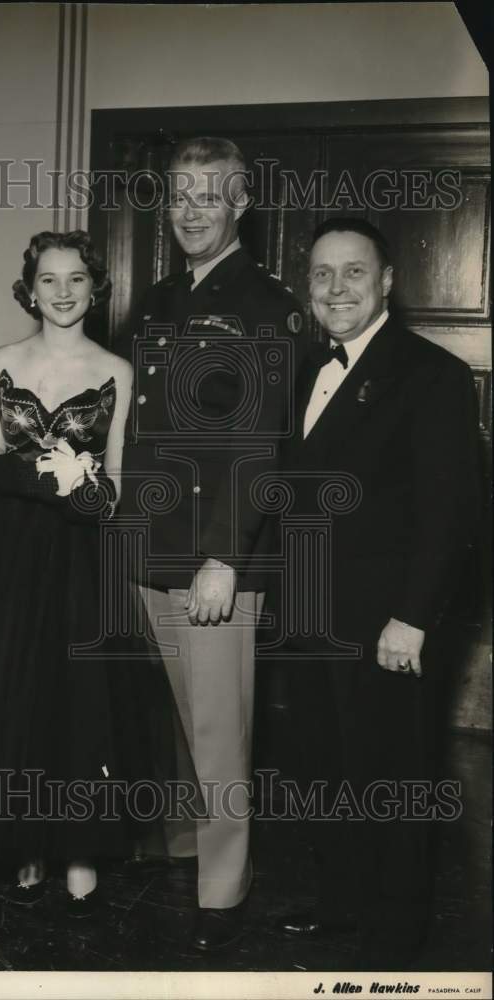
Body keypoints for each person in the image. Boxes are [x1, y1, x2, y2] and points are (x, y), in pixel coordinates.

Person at [0, 230, 173, 915]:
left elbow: (117, 483)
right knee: (11, 693)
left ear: (95, 289)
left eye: (76, 279)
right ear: (30, 290)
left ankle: (80, 848)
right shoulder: (3, 359)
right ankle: (23, 842)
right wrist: (30, 477)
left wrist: (83, 488)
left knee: (78, 701)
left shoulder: (117, 371)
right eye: (48, 280)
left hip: (80, 557)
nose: (62, 292)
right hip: (4, 553)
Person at [273, 217, 480, 969]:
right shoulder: (303, 368)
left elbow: (450, 513)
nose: (336, 289)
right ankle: (340, 902)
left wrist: (412, 619)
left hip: (386, 624)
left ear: (387, 281)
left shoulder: (432, 375)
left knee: (392, 775)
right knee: (322, 767)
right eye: (322, 274)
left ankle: (396, 934)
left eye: (353, 272)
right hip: (309, 617)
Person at [118, 136, 306, 952]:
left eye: (208, 196)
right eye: (179, 196)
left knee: (220, 725)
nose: (190, 211)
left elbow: (261, 442)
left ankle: (223, 886)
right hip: (153, 542)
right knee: (180, 714)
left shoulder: (266, 305)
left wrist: (225, 557)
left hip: (216, 555)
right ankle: (186, 843)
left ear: (239, 205)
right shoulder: (159, 299)